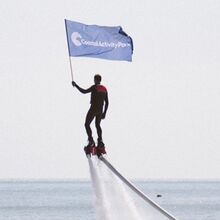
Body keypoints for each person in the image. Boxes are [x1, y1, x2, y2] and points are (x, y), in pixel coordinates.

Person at [72, 74, 109, 148]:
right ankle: (100, 141)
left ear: (95, 80)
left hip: (93, 109)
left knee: (87, 124)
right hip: (100, 110)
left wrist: (75, 85)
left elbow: (84, 91)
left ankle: (91, 140)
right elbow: (107, 102)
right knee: (97, 125)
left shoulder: (94, 87)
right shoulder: (104, 89)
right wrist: (104, 113)